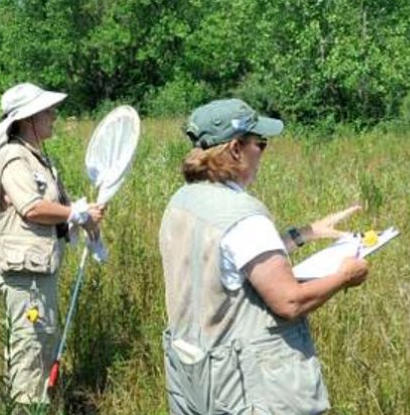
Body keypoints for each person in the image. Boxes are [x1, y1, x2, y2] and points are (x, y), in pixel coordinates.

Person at [158, 99, 369, 414]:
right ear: (234, 149)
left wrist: (302, 234)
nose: (263, 152)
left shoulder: (183, 199)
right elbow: (289, 302)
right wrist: (345, 276)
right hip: (240, 385)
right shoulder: (244, 215)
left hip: (193, 372)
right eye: (261, 143)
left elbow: (225, 260)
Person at [0, 83, 105, 406]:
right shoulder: (13, 157)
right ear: (28, 119)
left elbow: (56, 210)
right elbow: (32, 207)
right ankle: (26, 408)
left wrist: (81, 216)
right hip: (24, 277)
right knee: (29, 349)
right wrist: (75, 213)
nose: (54, 116)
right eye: (47, 112)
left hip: (38, 272)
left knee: (41, 345)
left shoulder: (38, 158)